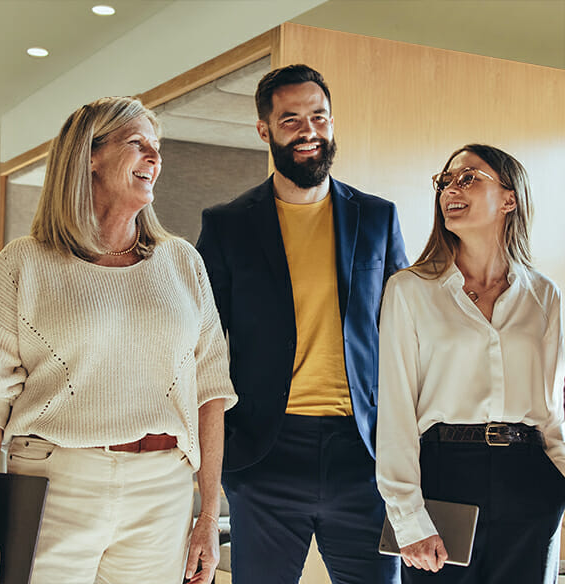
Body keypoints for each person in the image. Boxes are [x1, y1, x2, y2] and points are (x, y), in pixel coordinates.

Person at [0, 96, 237, 584]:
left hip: (163, 487)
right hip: (53, 484)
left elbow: (212, 392)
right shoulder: (23, 262)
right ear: (91, 154)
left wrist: (207, 517)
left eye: (157, 148)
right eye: (137, 144)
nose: (155, 158)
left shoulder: (182, 263)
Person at [196, 64, 407, 584]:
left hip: (363, 455)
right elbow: (197, 348)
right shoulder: (227, 225)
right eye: (291, 120)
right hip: (265, 454)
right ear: (264, 130)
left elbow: (406, 335)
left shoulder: (378, 218)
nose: (309, 130)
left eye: (319, 116)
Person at [376, 144, 565, 583]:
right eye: (445, 181)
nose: (450, 189)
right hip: (443, 476)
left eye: (468, 178)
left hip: (529, 480)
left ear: (509, 198)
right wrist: (408, 517)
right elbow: (396, 412)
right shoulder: (410, 290)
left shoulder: (544, 295)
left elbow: (553, 412)